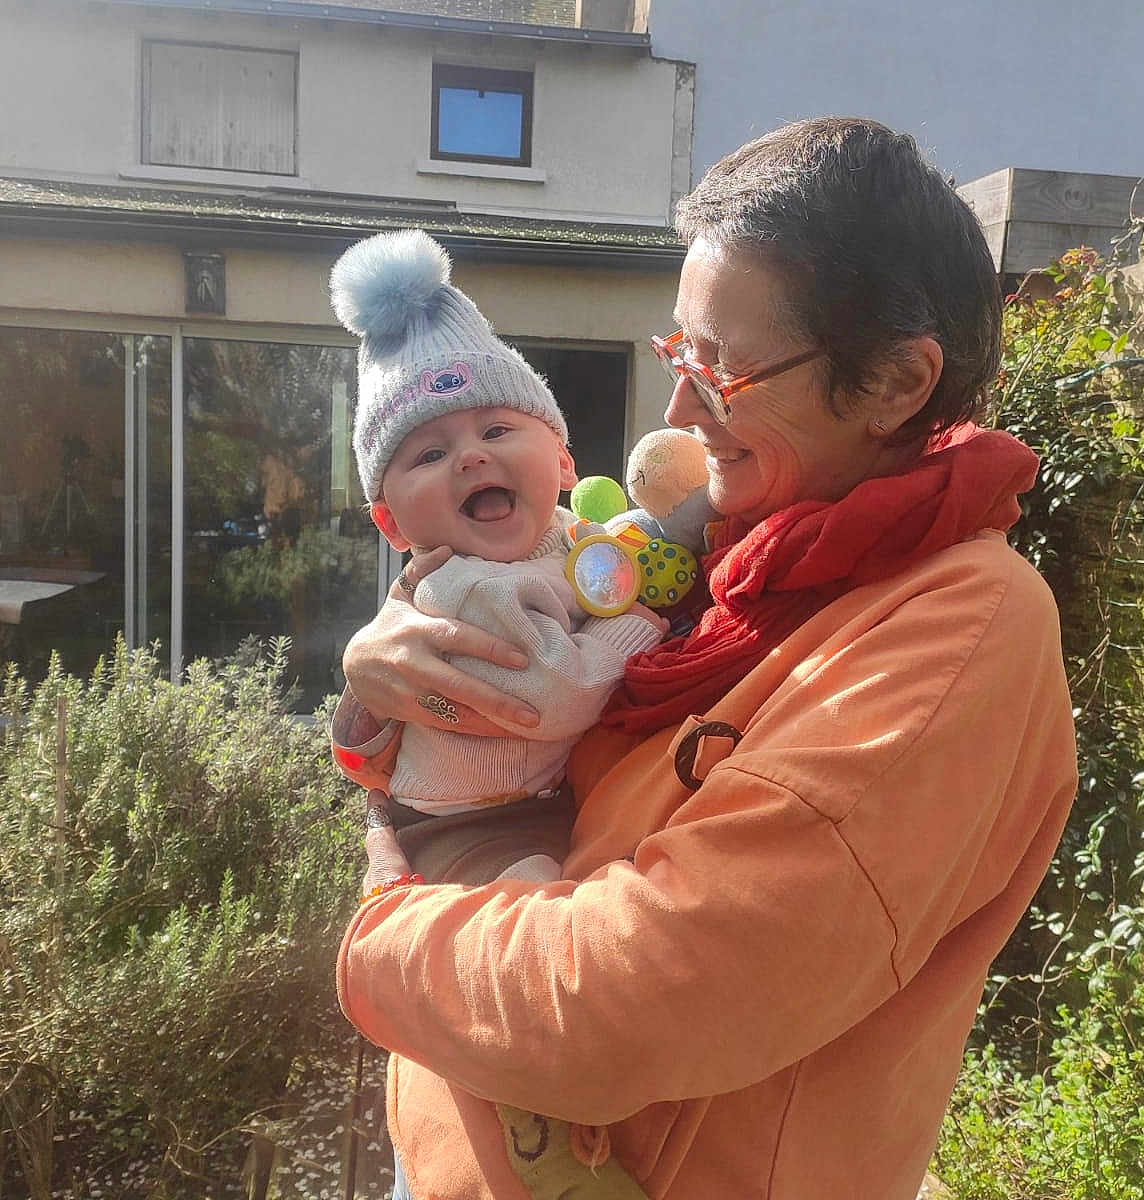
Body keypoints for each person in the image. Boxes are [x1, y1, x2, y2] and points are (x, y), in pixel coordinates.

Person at [335, 118, 1078, 1200]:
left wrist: (377, 939)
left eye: (722, 370)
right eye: (678, 353)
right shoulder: (738, 554)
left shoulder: (956, 631)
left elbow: (622, 1001)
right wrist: (381, 691)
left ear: (896, 384)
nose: (679, 408)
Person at [327, 229, 665, 887]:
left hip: (547, 800)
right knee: (541, 903)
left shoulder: (568, 536)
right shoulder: (463, 587)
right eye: (429, 454)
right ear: (391, 523)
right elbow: (556, 697)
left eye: (498, 429)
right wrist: (638, 622)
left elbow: (619, 553)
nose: (472, 456)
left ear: (564, 462)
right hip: (468, 825)